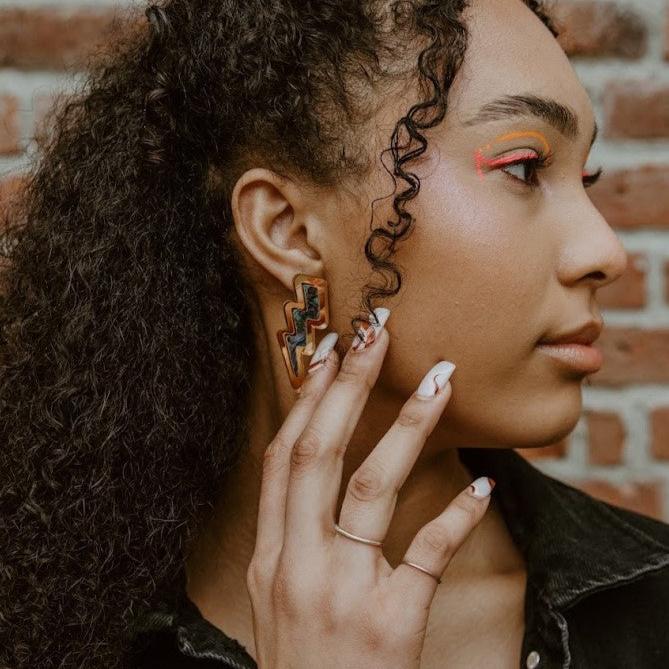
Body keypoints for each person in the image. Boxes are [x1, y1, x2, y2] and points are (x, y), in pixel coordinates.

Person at [2, 0, 668, 667]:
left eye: (587, 179)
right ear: (286, 231)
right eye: (523, 166)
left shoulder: (650, 608)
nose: (603, 249)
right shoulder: (47, 625)